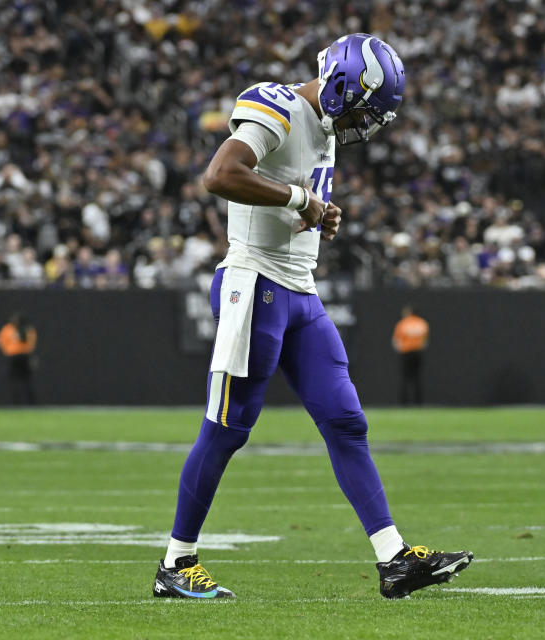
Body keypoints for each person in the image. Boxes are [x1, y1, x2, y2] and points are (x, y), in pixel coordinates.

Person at [154, 33, 472, 602]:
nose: (363, 126)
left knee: (346, 421)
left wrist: (316, 215)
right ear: (342, 85)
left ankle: (393, 558)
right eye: (361, 111)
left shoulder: (325, 127)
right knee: (226, 429)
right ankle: (177, 563)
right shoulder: (276, 103)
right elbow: (220, 175)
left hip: (301, 293)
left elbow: (292, 197)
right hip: (254, 285)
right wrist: (301, 202)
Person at [0, 313, 37, 404]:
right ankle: (31, 403)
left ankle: (15, 403)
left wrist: (7, 349)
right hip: (24, 356)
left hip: (13, 356)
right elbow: (32, 344)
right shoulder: (28, 329)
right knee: (26, 381)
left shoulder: (8, 329)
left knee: (14, 380)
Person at [392, 305, 429, 404]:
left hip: (406, 353)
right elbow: (425, 342)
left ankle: (403, 402)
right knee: (417, 378)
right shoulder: (422, 323)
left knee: (404, 378)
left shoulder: (403, 323)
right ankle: (418, 402)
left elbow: (396, 341)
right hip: (418, 353)